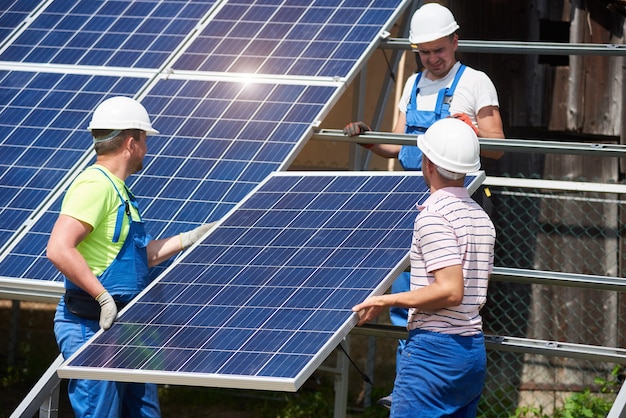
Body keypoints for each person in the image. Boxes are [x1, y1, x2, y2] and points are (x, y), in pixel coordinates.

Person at [343, 2, 504, 408]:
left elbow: (498, 145)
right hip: (411, 198)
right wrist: (365, 136)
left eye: (439, 49)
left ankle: (419, 386)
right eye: (425, 51)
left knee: (441, 290)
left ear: (455, 41)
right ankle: (407, 382)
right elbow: (397, 147)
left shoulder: (476, 82)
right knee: (410, 288)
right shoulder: (413, 83)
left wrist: (469, 132)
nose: (433, 58)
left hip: (453, 196)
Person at [47, 96, 214, 418]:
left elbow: (141, 257)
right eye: (145, 139)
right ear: (131, 141)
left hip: (129, 329)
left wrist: (189, 238)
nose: (146, 147)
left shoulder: (119, 189)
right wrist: (102, 297)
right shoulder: (95, 185)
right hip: (91, 325)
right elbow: (58, 247)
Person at [352, 117, 496, 417]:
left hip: (433, 354)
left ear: (427, 162)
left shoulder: (433, 217)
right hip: (472, 353)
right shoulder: (481, 218)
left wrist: (386, 299)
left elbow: (450, 291)